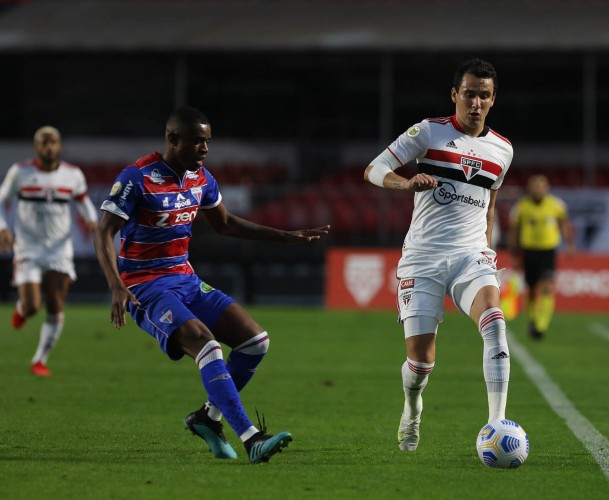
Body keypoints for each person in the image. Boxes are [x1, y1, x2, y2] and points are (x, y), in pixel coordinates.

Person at [94, 106, 329, 463]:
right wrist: (115, 284)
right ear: (173, 139)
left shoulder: (200, 177)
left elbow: (226, 224)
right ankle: (251, 439)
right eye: (197, 142)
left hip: (186, 279)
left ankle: (208, 418)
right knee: (207, 344)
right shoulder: (136, 177)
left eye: (207, 142)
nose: (204, 149)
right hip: (145, 288)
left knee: (255, 342)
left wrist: (286, 237)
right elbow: (103, 231)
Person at [364, 58, 514, 451]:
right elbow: (374, 169)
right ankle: (412, 408)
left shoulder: (502, 150)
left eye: (484, 95)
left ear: (493, 99)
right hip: (423, 257)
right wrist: (405, 183)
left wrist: (487, 250)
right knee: (421, 362)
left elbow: (490, 205)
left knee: (495, 321)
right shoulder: (428, 132)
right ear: (455, 95)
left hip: (471, 255)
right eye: (469, 94)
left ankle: (496, 425)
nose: (476, 103)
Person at [0, 126, 98, 376]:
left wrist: (91, 219)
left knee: (55, 304)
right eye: (44, 143)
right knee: (33, 305)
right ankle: (23, 310)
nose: (49, 147)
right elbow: (1, 201)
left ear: (59, 146)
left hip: (59, 249)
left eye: (53, 142)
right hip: (28, 248)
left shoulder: (72, 175)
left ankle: (39, 360)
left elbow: (83, 201)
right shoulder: (20, 172)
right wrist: (2, 228)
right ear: (36, 148)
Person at [507, 174, 574, 340]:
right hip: (529, 251)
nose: (537, 189)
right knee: (531, 289)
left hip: (548, 251)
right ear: (529, 188)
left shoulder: (556, 205)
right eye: (534, 186)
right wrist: (513, 250)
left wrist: (569, 244)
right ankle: (533, 318)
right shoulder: (521, 206)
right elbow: (514, 229)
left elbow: (564, 224)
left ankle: (541, 325)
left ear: (546, 188)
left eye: (540, 186)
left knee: (547, 286)